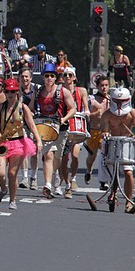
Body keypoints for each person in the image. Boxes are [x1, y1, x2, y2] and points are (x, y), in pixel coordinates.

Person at [0, 78, 43, 210]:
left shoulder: (23, 107)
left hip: (18, 142)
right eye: (8, 91)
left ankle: (12, 200)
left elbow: (31, 125)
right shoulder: (1, 107)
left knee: (12, 173)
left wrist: (38, 139)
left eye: (13, 91)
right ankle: (3, 189)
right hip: (3, 142)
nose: (10, 93)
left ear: (17, 92)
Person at [29, 63, 76, 198]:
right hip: (44, 128)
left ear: (55, 78)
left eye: (51, 76)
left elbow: (72, 109)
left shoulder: (63, 91)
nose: (49, 78)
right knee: (48, 155)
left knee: (58, 156)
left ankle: (55, 173)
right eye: (46, 76)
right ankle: (47, 185)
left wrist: (64, 119)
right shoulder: (38, 92)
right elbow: (31, 108)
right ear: (43, 78)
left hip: (60, 128)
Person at [98, 87, 135, 213]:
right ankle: (112, 193)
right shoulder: (107, 114)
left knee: (128, 172)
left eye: (122, 101)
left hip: (126, 143)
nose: (119, 104)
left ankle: (128, 201)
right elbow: (104, 130)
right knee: (112, 172)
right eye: (117, 101)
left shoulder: (133, 113)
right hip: (112, 143)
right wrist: (105, 134)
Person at [58, 67, 88, 198]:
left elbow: (86, 106)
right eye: (65, 75)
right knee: (64, 159)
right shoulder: (59, 91)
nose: (68, 77)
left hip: (77, 126)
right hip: (64, 126)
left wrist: (87, 111)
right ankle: (67, 184)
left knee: (75, 155)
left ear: (74, 77)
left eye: (70, 75)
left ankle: (74, 177)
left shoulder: (81, 91)